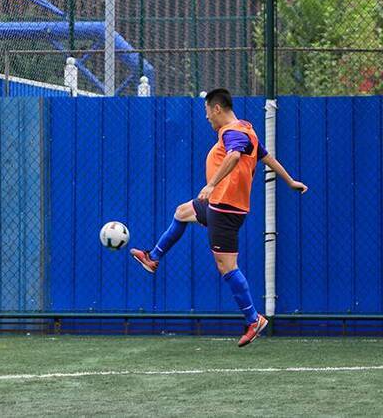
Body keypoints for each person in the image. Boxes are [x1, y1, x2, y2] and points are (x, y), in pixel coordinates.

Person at [130, 88, 307, 347]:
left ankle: (253, 319)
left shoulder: (231, 132)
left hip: (225, 208)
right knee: (182, 212)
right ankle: (153, 257)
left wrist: (211, 184)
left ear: (217, 109)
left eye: (206, 112)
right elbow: (266, 157)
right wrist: (290, 181)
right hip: (218, 204)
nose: (206, 118)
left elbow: (234, 156)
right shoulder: (247, 128)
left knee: (227, 267)